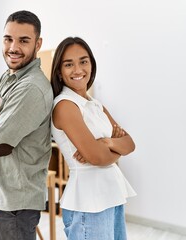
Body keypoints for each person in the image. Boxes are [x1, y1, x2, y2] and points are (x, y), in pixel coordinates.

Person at [0, 10, 53, 240]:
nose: (13, 47)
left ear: (38, 44)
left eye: (24, 40)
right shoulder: (7, 78)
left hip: (15, 205)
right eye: (8, 39)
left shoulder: (31, 88)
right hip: (0, 195)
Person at [50, 36, 136, 240]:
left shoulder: (95, 104)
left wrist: (107, 143)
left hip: (111, 195)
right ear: (59, 73)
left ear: (91, 64)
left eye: (83, 61)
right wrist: (114, 149)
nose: (78, 69)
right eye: (68, 64)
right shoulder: (65, 106)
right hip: (88, 201)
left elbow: (130, 143)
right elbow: (97, 158)